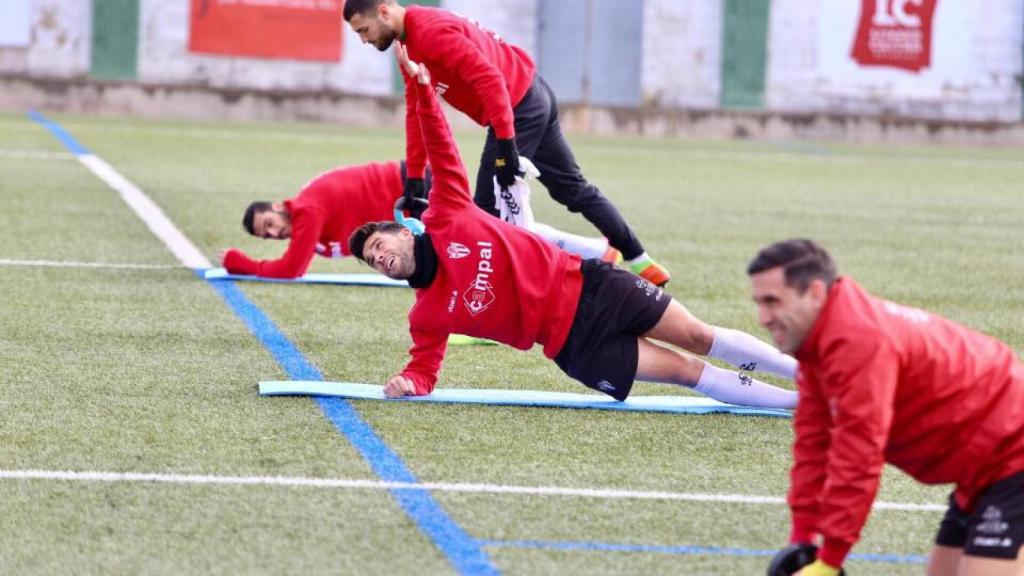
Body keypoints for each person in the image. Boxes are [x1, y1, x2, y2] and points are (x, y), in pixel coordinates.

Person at [347, 44, 797, 410]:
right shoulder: (425, 315)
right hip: (575, 344)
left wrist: (421, 87)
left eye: (379, 246)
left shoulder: (447, 211)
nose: (379, 259)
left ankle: (807, 374)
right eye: (372, 261)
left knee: (699, 336)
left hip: (594, 287)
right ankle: (803, 405)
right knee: (685, 371)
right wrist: (407, 382)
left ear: (406, 231)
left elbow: (439, 144)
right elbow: (423, 371)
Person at [343, 0, 673, 287]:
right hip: (531, 95)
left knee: (486, 212)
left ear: (383, 12)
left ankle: (487, 312)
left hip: (518, 108)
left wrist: (505, 144)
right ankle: (640, 260)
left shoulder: (429, 31)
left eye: (363, 30)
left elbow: (490, 79)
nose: (364, 40)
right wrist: (415, 177)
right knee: (571, 189)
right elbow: (417, 109)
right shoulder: (409, 45)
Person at [748, 239, 1024, 576]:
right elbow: (813, 443)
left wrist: (830, 560)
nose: (763, 318)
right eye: (759, 303)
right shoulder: (817, 345)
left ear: (816, 293)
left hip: (1013, 454)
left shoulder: (858, 342)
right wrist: (803, 540)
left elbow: (859, 455)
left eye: (773, 302)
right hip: (982, 466)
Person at [221, 161, 619, 278]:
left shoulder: (306, 210)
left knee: (507, 236)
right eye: (267, 237)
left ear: (277, 206)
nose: (275, 234)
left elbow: (293, 268)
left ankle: (597, 254)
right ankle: (599, 252)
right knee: (506, 233)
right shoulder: (309, 207)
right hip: (414, 194)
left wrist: (240, 263)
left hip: (417, 193)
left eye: (270, 225)